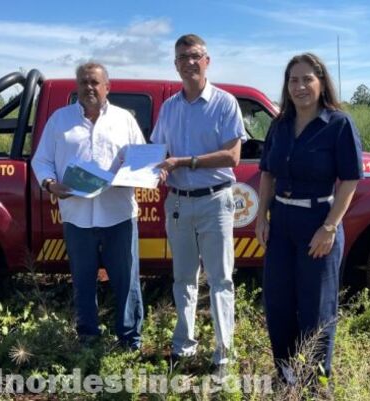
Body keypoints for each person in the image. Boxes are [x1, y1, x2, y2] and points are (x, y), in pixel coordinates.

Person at [255, 53, 363, 384]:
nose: (300, 86)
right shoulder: (280, 125)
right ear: (286, 86)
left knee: (316, 310)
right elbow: (268, 173)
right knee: (278, 303)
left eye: (307, 79)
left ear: (321, 82)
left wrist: (329, 227)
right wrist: (262, 216)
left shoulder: (338, 124)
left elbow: (350, 180)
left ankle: (315, 384)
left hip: (318, 222)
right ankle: (286, 376)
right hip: (282, 222)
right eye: (293, 80)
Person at [151, 34, 246, 375]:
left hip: (215, 202)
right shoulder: (169, 108)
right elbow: (159, 153)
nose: (189, 62)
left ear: (207, 60)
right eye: (182, 57)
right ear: (176, 64)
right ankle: (184, 346)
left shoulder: (225, 103)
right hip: (178, 203)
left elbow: (233, 156)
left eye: (195, 56)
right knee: (183, 278)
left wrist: (184, 162)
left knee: (221, 279)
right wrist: (157, 170)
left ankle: (223, 355)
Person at [31, 62, 144, 350]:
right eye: (83, 82)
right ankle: (88, 338)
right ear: (77, 86)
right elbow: (41, 160)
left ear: (108, 86)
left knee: (127, 281)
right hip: (76, 216)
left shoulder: (124, 120)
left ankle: (130, 340)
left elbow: (141, 160)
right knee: (82, 280)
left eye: (95, 82)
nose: (89, 88)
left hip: (119, 214)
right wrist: (49, 184)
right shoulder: (59, 120)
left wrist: (141, 172)